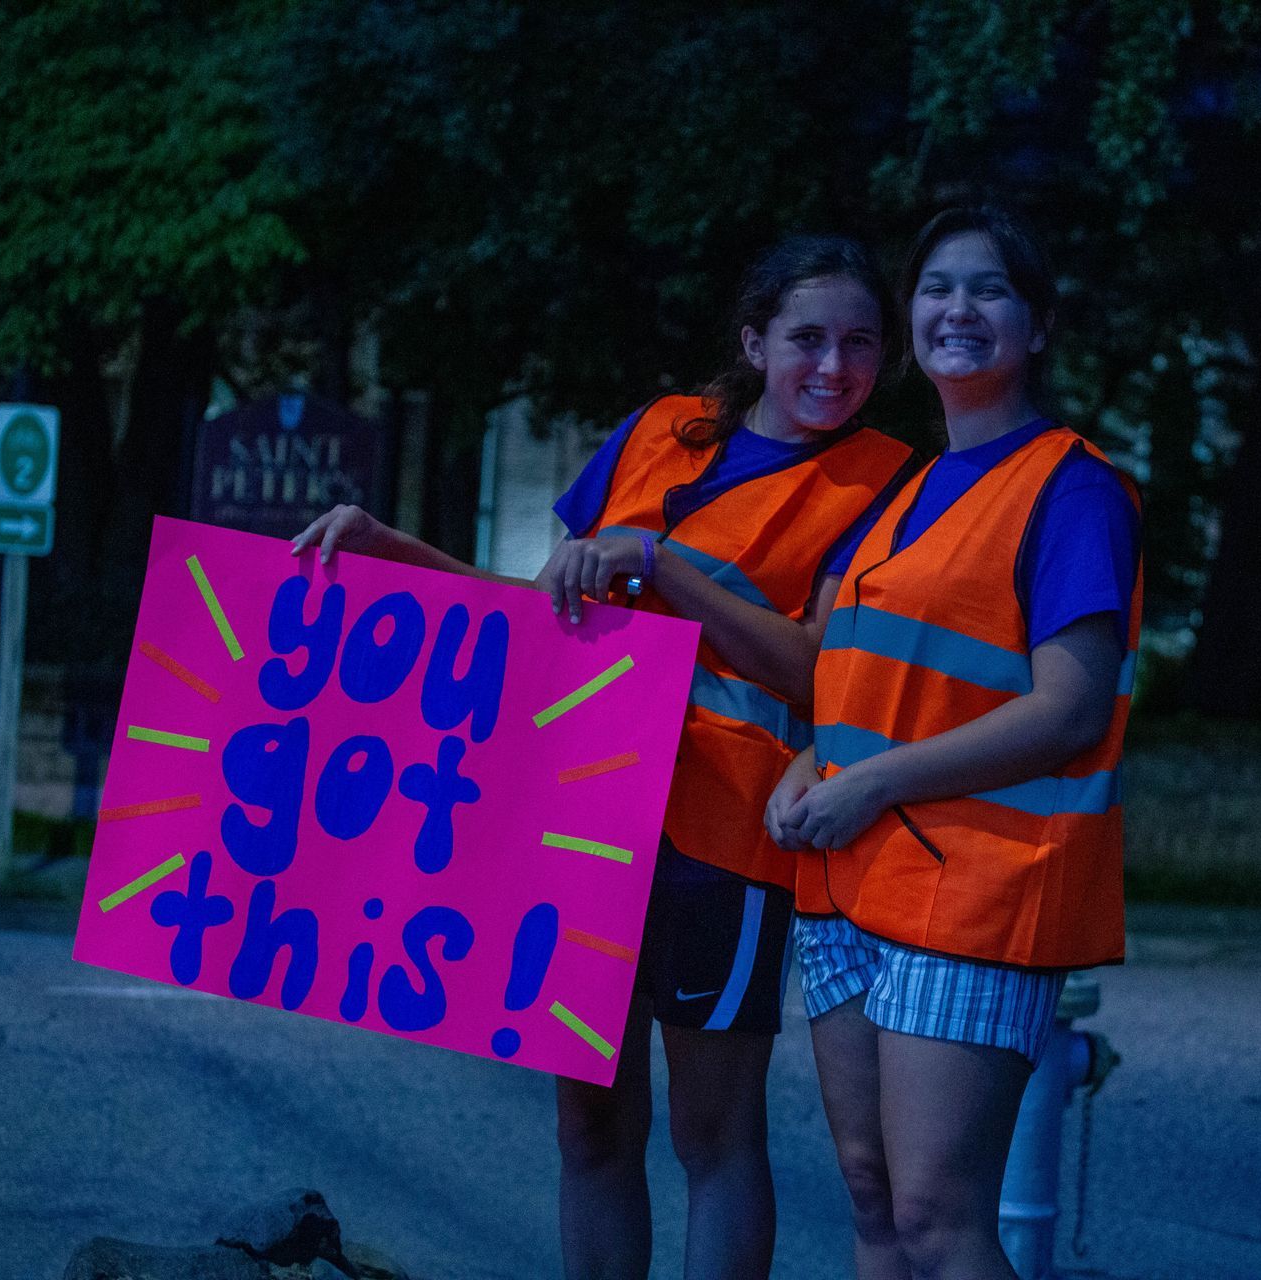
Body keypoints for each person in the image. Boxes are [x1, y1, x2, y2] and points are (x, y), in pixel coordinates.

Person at [295, 234, 915, 1280]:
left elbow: (820, 675)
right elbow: (540, 629)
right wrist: (385, 546)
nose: (833, 365)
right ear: (755, 340)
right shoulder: (657, 433)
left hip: (723, 836)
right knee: (588, 1133)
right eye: (807, 337)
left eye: (860, 342)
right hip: (571, 819)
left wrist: (664, 567)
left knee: (714, 1139)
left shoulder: (888, 484)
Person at [765, 207, 1142, 1280]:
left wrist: (873, 781)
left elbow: (1069, 706)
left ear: (1040, 323)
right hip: (850, 883)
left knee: (939, 1213)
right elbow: (861, 680)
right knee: (877, 1201)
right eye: (936, 288)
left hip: (977, 891)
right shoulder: (904, 488)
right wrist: (812, 768)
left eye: (988, 290)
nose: (957, 311)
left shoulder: (1072, 488)